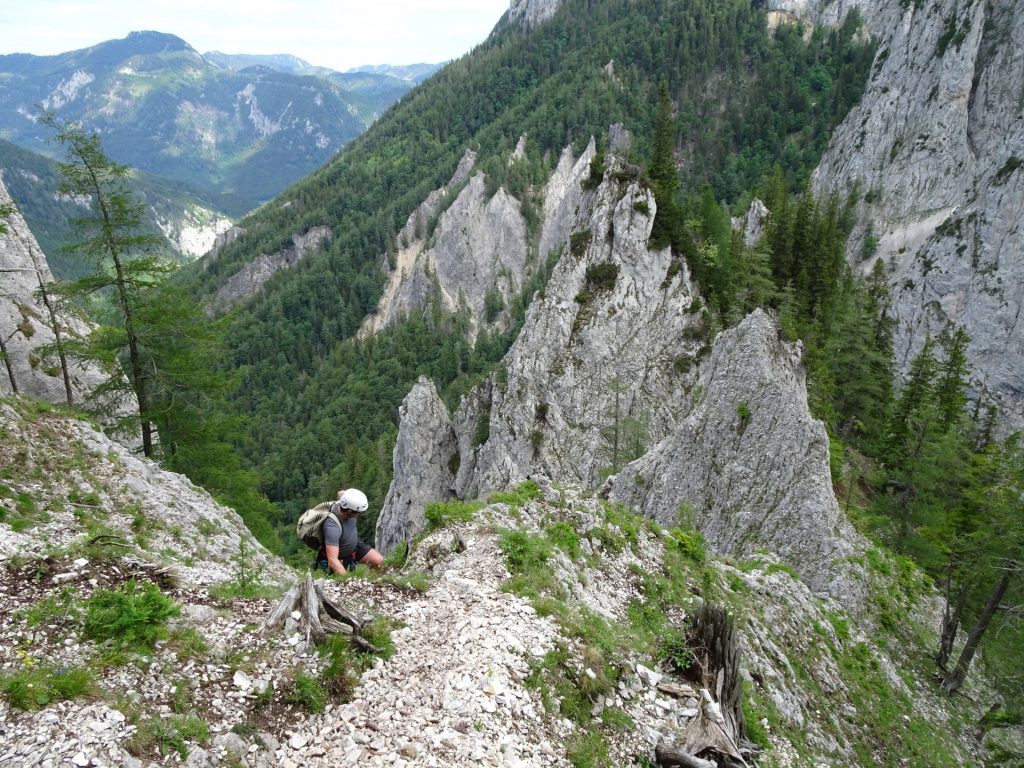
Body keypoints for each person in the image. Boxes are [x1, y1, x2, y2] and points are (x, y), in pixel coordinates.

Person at [317, 487, 384, 575]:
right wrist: (349, 580)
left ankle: (369, 580)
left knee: (378, 560)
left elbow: (340, 492)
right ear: (349, 512)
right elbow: (332, 559)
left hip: (355, 546)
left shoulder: (344, 502)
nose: (360, 514)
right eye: (358, 512)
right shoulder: (332, 526)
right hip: (341, 556)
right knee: (338, 581)